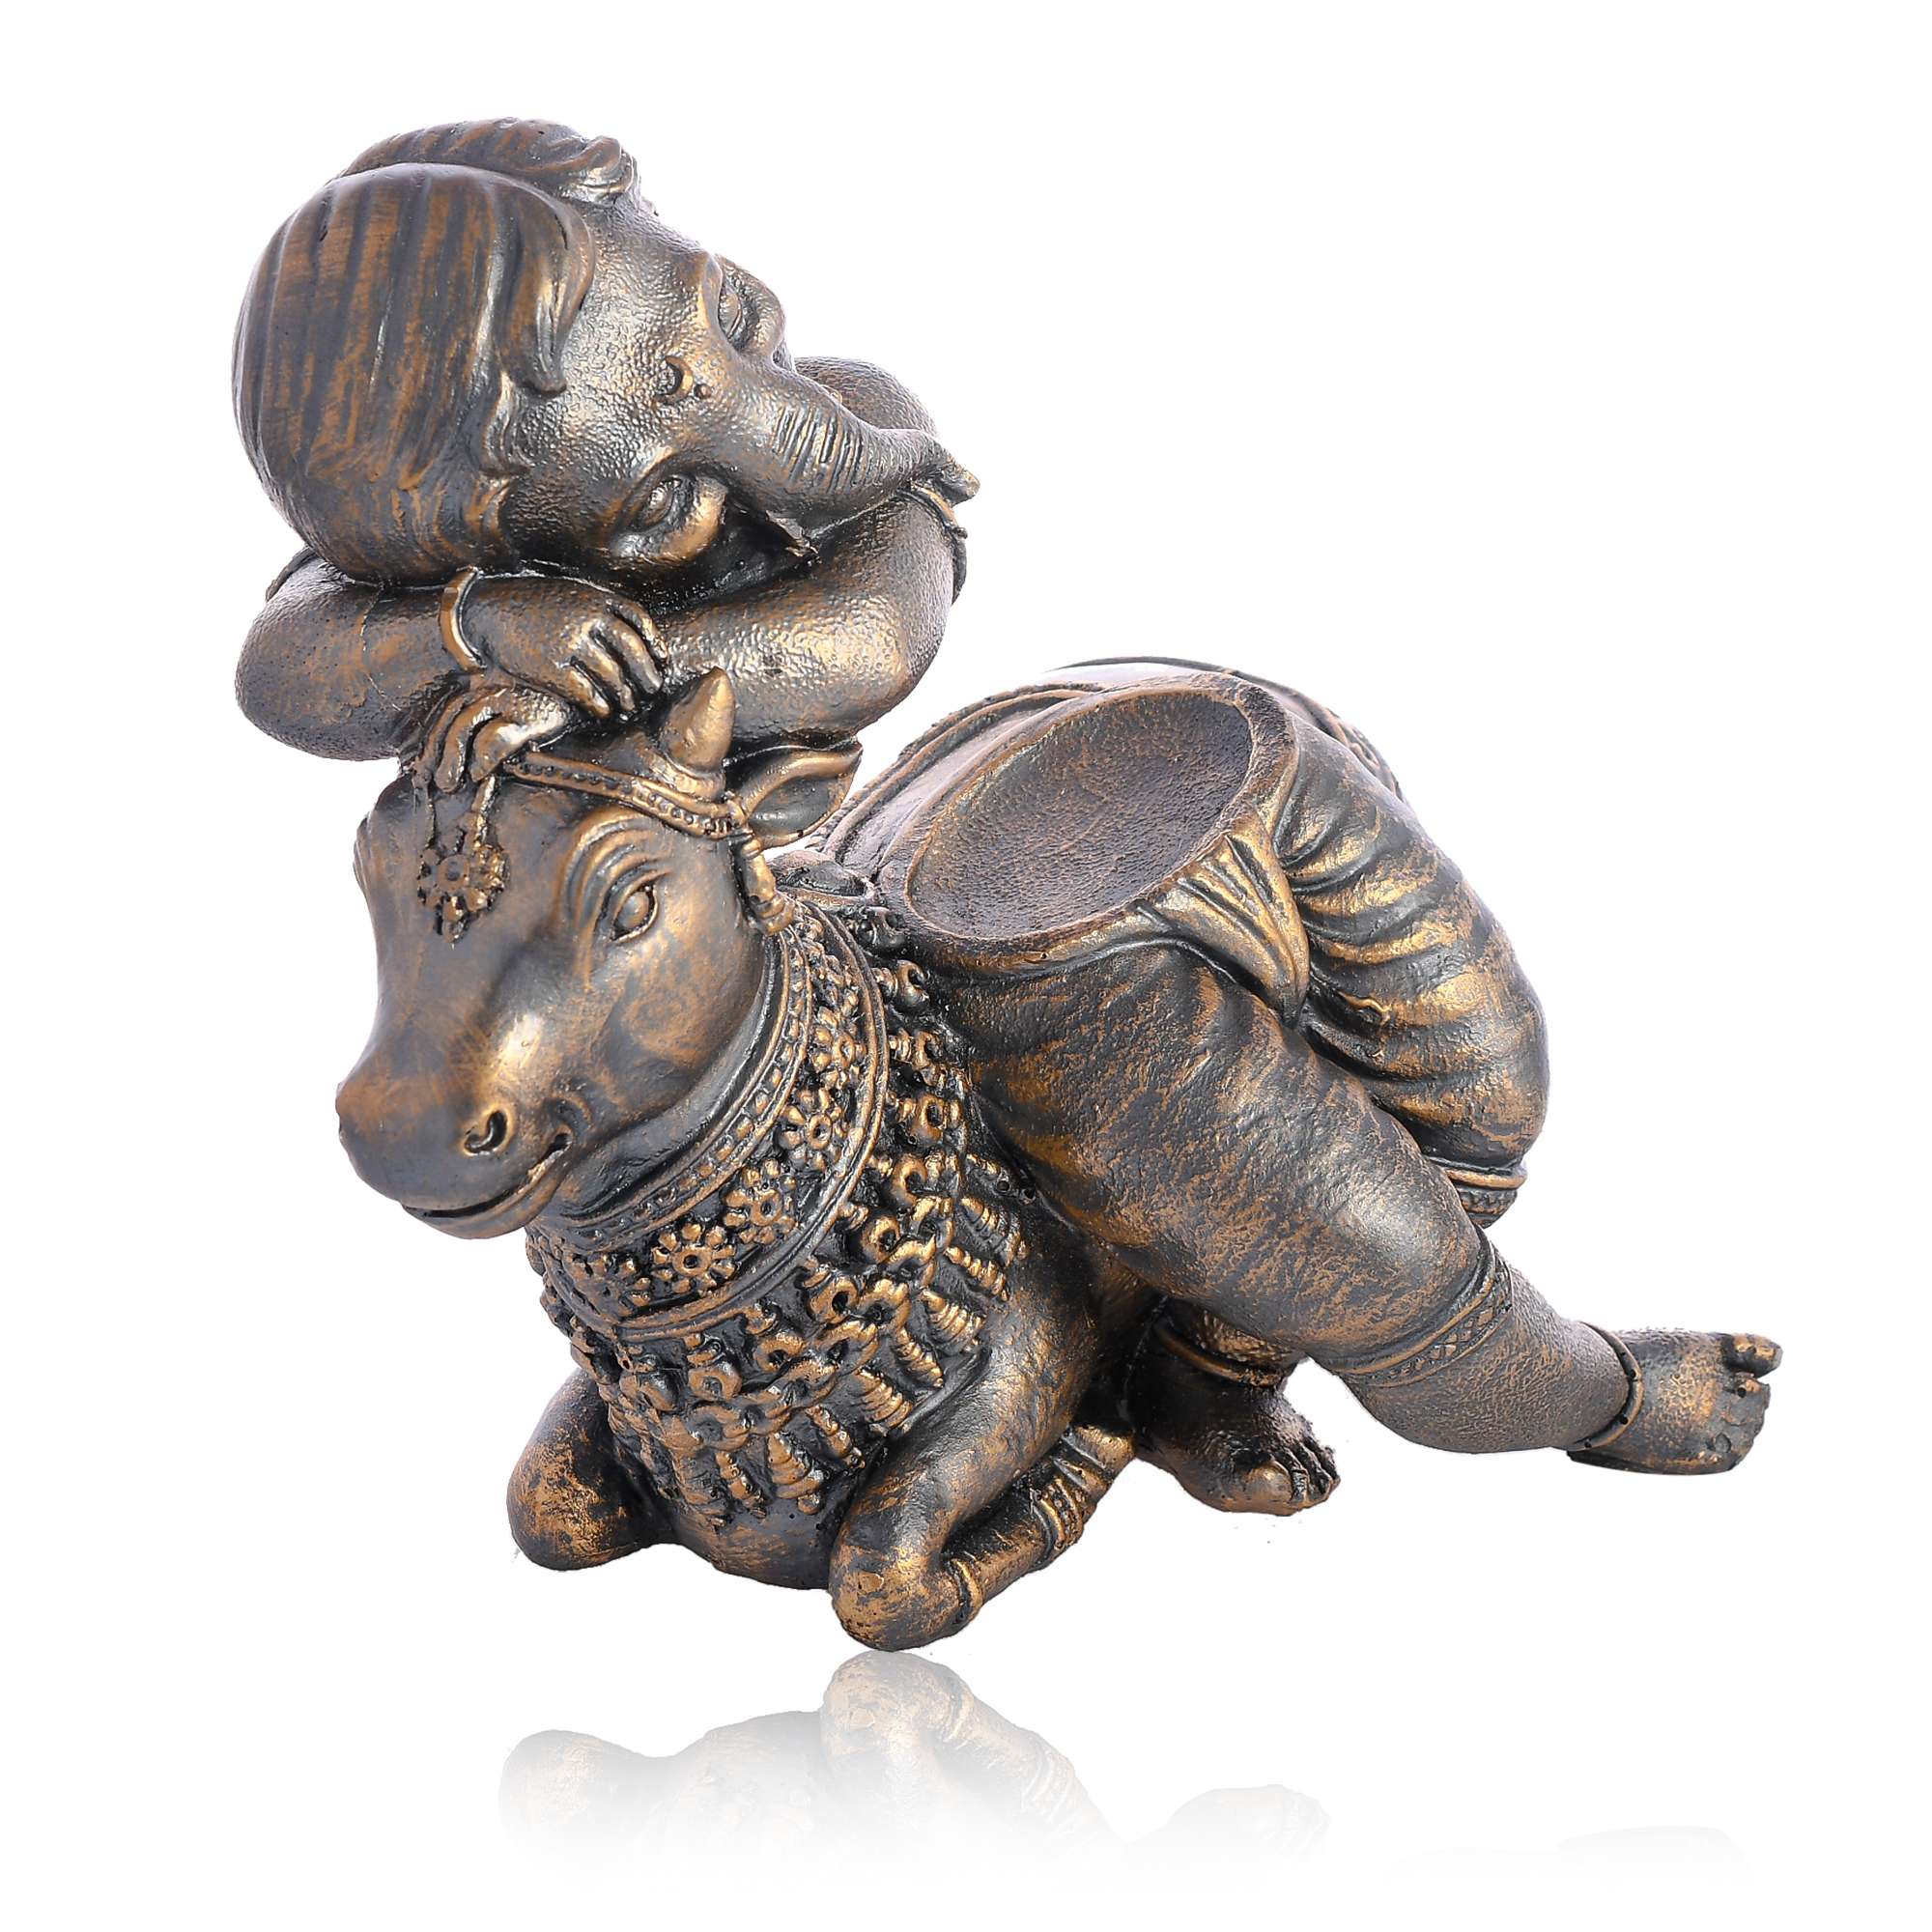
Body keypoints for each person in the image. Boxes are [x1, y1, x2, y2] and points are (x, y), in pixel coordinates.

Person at [234, 119, 974, 783]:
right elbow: (279, 668)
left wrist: (585, 691)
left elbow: (872, 639)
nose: (771, 420)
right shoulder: (481, 573)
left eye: (729, 314)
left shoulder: (860, 402)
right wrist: (486, 623)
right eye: (663, 500)